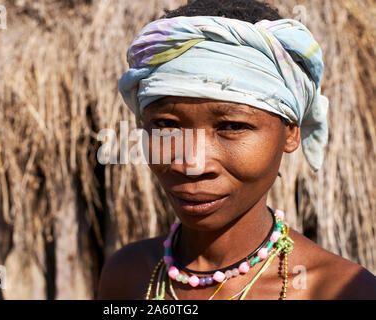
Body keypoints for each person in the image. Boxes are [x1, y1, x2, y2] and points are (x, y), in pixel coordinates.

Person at [97, 0, 376, 299]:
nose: (191, 163)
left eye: (231, 127)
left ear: (291, 132)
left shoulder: (339, 290)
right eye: (165, 125)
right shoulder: (128, 276)